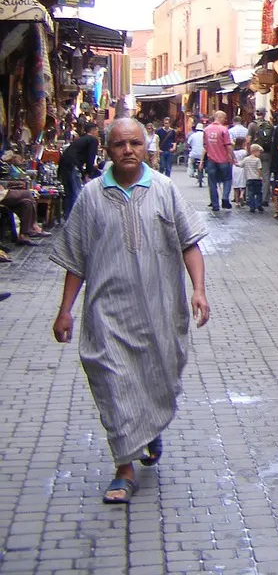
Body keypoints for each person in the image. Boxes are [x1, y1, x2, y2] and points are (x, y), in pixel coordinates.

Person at [49, 117, 210, 505]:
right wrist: (65, 310)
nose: (128, 151)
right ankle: (124, 468)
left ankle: (149, 430)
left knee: (158, 378)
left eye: (135, 143)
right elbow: (76, 259)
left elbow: (189, 243)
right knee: (113, 383)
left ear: (146, 147)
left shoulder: (165, 189)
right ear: (107, 150)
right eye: (120, 144)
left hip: (160, 311)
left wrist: (199, 290)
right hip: (107, 312)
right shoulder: (91, 195)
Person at [58, 122, 100, 214]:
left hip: (64, 164)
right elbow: (90, 157)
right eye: (97, 131)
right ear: (93, 131)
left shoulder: (81, 139)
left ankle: (68, 215)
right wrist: (88, 173)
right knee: (76, 192)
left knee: (69, 192)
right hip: (73, 164)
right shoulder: (93, 140)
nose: (98, 133)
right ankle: (76, 217)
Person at [202, 111, 234, 212]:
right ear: (219, 117)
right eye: (224, 117)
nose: (225, 120)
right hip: (223, 160)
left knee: (212, 183)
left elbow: (205, 145)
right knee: (227, 179)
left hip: (211, 160)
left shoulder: (206, 130)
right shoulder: (224, 129)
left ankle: (215, 205)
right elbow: (228, 145)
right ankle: (225, 197)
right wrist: (233, 158)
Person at [238, 144, 265, 213]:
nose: (260, 154)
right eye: (259, 152)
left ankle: (252, 206)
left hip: (249, 179)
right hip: (257, 179)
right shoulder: (257, 160)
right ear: (255, 151)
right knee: (259, 192)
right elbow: (259, 169)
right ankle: (258, 204)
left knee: (250, 193)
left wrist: (235, 162)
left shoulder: (246, 159)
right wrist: (262, 177)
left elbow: (240, 165)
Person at [186, 120, 205, 185]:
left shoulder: (193, 135)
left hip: (194, 154)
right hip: (203, 155)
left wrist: (189, 148)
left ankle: (192, 173)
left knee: (190, 162)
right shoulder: (205, 135)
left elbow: (188, 144)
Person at [230, 137, 248, 207]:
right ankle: (242, 195)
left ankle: (237, 202)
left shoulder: (233, 152)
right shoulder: (244, 152)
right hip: (242, 167)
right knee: (243, 183)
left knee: (236, 185)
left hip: (235, 167)